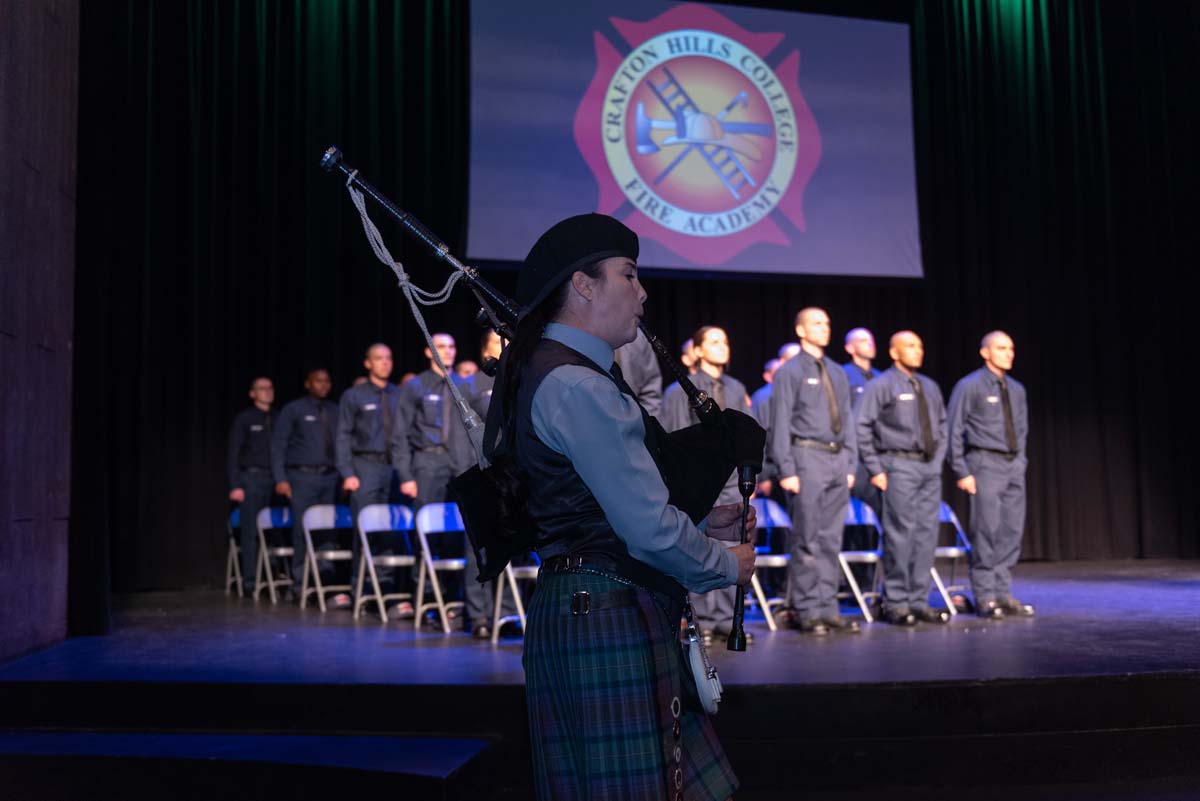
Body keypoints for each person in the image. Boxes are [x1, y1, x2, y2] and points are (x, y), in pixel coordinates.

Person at [493, 213, 756, 800]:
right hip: (606, 610)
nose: (643, 292)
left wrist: (699, 520)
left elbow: (598, 504)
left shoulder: (559, 373)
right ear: (583, 285)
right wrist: (725, 562)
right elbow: (647, 531)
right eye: (629, 275)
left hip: (592, 604)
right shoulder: (578, 385)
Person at [769, 308, 859, 634]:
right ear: (801, 330)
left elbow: (847, 419)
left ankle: (828, 606)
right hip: (806, 457)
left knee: (831, 539)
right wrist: (786, 468)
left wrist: (851, 462)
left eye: (827, 322)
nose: (825, 328)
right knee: (807, 538)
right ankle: (808, 610)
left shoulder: (836, 371)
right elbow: (780, 423)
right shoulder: (789, 371)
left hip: (837, 459)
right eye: (817, 323)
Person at [662, 325, 753, 645]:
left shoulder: (736, 386)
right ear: (698, 350)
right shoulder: (680, 390)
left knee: (733, 546)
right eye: (714, 342)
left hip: (731, 480)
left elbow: (746, 436)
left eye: (725, 341)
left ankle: (727, 620)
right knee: (698, 544)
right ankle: (699, 620)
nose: (722, 346)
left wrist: (751, 473)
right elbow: (671, 437)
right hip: (697, 482)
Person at [855, 331, 950, 626]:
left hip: (928, 468)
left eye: (920, 345)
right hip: (897, 465)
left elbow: (943, 427)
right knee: (901, 534)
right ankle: (896, 601)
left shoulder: (929, 386)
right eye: (910, 346)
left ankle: (918, 600)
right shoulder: (881, 384)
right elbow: (860, 424)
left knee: (926, 535)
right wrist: (876, 468)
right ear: (894, 352)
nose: (917, 350)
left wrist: (936, 462)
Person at [947, 331, 1034, 619]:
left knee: (1010, 531)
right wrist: (962, 469)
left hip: (1012, 466)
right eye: (1001, 348)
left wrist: (1020, 460)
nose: (1008, 353)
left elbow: (1021, 430)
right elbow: (953, 429)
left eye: (1011, 348)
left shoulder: (1016, 389)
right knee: (986, 530)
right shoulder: (970, 385)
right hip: (984, 463)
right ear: (985, 352)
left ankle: (1002, 593)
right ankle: (984, 595)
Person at [335, 343, 406, 614]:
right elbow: (342, 436)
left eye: (388, 358)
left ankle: (386, 591)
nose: (385, 363)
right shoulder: (354, 395)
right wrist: (348, 473)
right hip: (364, 466)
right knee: (364, 531)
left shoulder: (399, 394)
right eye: (379, 358)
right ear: (368, 363)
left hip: (393, 468)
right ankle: (361, 591)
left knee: (390, 532)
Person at [271, 368, 341, 599]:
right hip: (302, 478)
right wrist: (281, 478)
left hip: (330, 478)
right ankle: (300, 585)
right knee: (302, 530)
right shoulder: (294, 409)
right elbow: (279, 444)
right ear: (308, 384)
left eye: (327, 381)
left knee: (327, 532)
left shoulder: (334, 410)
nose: (323, 385)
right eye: (318, 381)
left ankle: (325, 584)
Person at [227, 377, 276, 592]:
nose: (267, 392)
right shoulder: (245, 419)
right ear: (252, 394)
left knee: (275, 530)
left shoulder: (278, 417)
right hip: (251, 479)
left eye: (270, 388)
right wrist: (235, 484)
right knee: (250, 532)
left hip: (274, 479)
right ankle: (250, 581)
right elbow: (233, 453)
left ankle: (274, 578)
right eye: (262, 389)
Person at [613, 327, 664, 417]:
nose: (640, 312)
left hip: (634, 424)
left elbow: (650, 391)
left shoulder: (637, 336)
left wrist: (647, 426)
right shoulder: (583, 333)